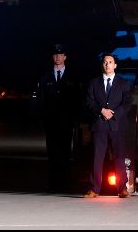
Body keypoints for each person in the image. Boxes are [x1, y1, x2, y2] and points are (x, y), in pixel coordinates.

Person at [84, 53, 133, 198]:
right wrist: (101, 110)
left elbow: (127, 103)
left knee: (119, 157)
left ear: (115, 65)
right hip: (99, 125)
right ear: (102, 65)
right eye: (105, 62)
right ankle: (94, 189)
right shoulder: (94, 83)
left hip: (117, 125)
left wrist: (114, 113)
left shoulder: (123, 83)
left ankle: (122, 188)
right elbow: (89, 101)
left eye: (110, 62)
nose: (107, 64)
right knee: (97, 158)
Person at [36, 44, 82, 193]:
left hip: (66, 121)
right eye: (55, 55)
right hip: (51, 121)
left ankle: (65, 183)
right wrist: (43, 118)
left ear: (65, 57)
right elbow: (41, 100)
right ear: (52, 57)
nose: (58, 57)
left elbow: (77, 99)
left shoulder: (73, 76)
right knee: (52, 152)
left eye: (60, 54)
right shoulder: (45, 77)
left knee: (65, 153)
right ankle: (53, 184)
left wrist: (76, 119)